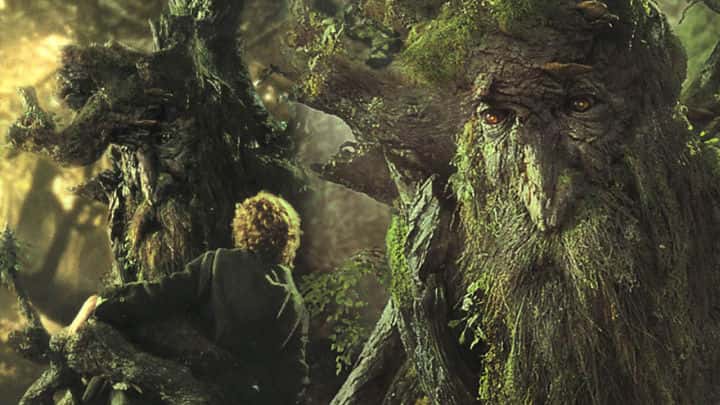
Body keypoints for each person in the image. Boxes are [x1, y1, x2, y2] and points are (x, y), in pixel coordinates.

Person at [69, 191, 310, 404]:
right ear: (288, 241)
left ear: (243, 228)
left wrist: (104, 305)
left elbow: (160, 295)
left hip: (191, 380)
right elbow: (292, 379)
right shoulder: (295, 304)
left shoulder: (219, 263)